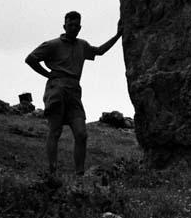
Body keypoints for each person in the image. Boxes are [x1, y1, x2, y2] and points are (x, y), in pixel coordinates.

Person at [25, 11, 122, 191]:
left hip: (74, 91)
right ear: (64, 26)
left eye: (76, 26)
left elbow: (99, 51)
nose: (73, 28)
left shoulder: (82, 45)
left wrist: (117, 35)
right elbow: (30, 59)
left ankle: (79, 175)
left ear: (80, 27)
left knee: (81, 133)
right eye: (70, 25)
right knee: (55, 131)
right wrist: (48, 74)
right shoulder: (52, 45)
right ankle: (52, 173)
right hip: (57, 90)